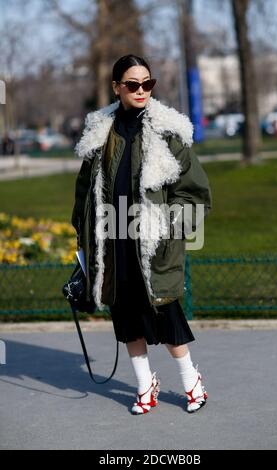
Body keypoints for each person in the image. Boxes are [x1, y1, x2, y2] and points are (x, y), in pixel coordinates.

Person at [71, 54, 212, 415]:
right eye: (132, 84)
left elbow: (193, 193)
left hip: (152, 242)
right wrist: (83, 240)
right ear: (116, 87)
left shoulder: (168, 131)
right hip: (113, 241)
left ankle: (190, 380)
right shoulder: (100, 133)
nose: (141, 90)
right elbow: (84, 192)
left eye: (147, 83)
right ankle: (144, 386)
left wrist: (168, 232)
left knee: (166, 315)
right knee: (126, 315)